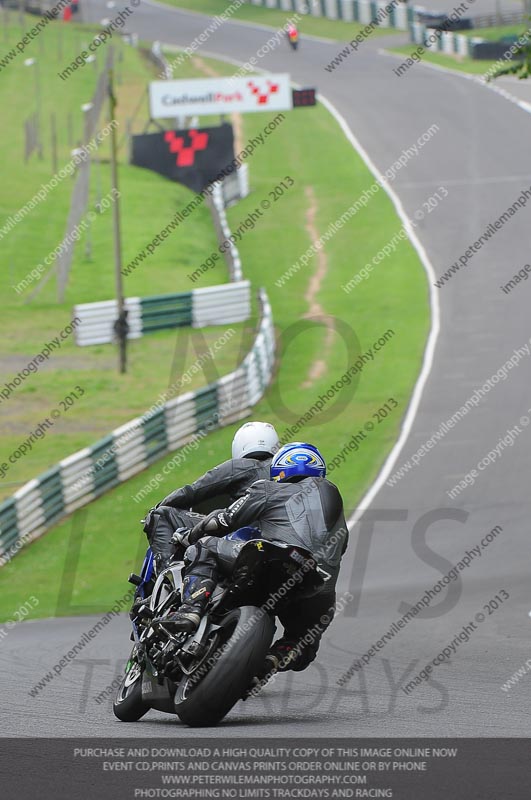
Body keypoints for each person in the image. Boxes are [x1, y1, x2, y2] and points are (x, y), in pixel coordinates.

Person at [163, 442, 348, 673]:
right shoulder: (336, 502)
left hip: (274, 559)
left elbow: (222, 521)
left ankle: (191, 608)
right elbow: (341, 548)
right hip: (319, 587)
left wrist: (191, 534)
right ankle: (273, 661)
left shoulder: (267, 489)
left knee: (205, 546)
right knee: (302, 641)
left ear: (280, 467)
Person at [142, 421, 280, 574]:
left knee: (160, 515)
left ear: (240, 445)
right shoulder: (285, 471)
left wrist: (159, 506)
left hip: (242, 538)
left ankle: (169, 573)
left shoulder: (240, 466)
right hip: (281, 544)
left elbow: (193, 491)